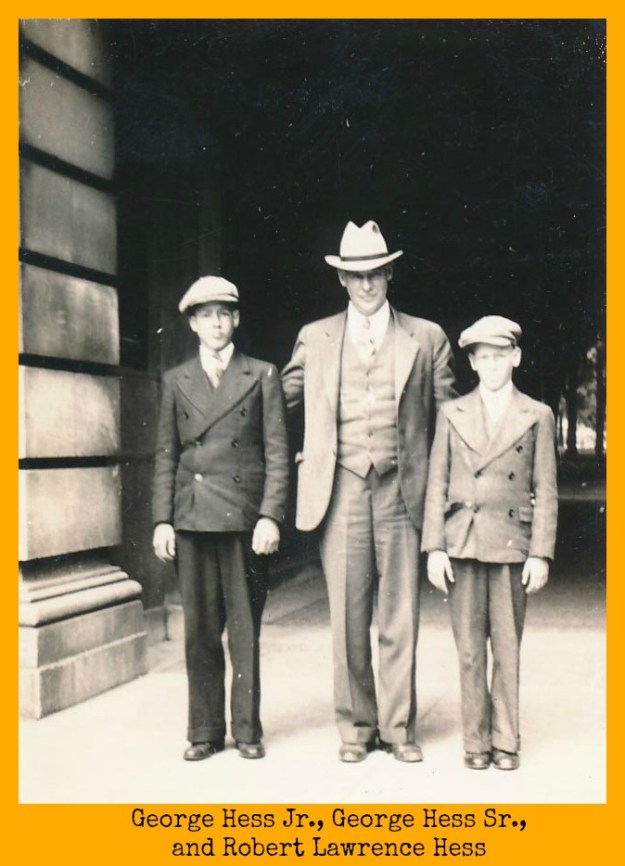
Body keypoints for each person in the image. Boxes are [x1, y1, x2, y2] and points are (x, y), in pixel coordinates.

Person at [281, 220, 456, 763]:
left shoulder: (427, 337)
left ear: (390, 274)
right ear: (341, 279)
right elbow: (274, 404)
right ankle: (357, 728)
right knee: (347, 618)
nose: (366, 284)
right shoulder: (315, 337)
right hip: (340, 492)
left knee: (400, 616)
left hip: (404, 492)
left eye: (375, 273)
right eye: (355, 275)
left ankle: (398, 729)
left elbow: (452, 422)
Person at [152, 276, 289, 762]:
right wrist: (162, 520)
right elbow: (166, 455)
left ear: (236, 319)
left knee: (245, 629)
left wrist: (270, 515)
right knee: (200, 631)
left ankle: (247, 729)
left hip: (243, 521)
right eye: (206, 315)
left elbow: (277, 453)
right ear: (193, 323)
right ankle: (205, 730)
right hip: (192, 519)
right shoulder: (176, 380)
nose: (216, 323)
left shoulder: (262, 374)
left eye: (224, 314)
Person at [422, 315, 558, 771]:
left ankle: (506, 740)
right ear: (473, 363)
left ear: (516, 357)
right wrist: (434, 547)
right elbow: (436, 483)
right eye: (484, 357)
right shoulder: (451, 413)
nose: (493, 365)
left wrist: (540, 553)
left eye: (501, 356)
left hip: (511, 544)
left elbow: (546, 489)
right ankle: (475, 741)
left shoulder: (537, 414)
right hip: (463, 541)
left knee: (507, 646)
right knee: (468, 649)